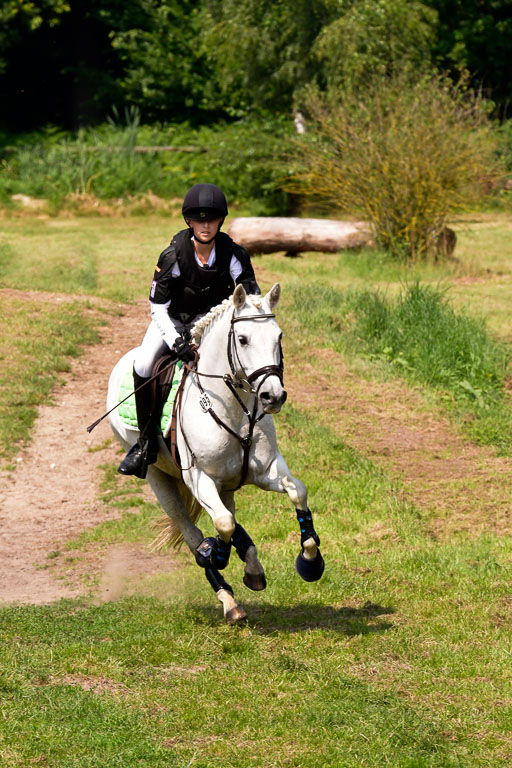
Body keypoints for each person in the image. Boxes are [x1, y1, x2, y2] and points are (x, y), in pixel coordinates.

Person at [118, 182, 260, 478]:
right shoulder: (173, 255)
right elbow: (158, 307)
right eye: (198, 219)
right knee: (143, 364)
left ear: (220, 221)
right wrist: (176, 342)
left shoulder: (234, 254)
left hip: (213, 324)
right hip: (172, 321)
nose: (205, 225)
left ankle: (254, 432)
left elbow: (250, 297)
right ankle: (145, 444)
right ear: (189, 221)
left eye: (211, 219)